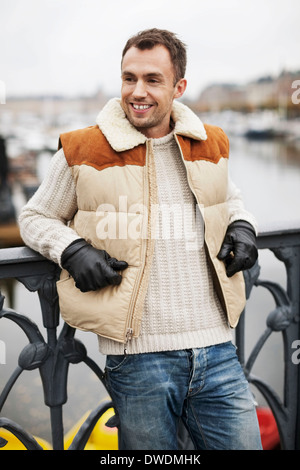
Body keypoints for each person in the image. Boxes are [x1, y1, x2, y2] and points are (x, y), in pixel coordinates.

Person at [19, 28, 262, 450]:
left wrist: (243, 226)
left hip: (218, 351)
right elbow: (35, 217)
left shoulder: (209, 142)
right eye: (129, 77)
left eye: (153, 79)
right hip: (137, 358)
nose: (138, 91)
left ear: (179, 87)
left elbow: (231, 200)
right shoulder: (82, 148)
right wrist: (71, 249)